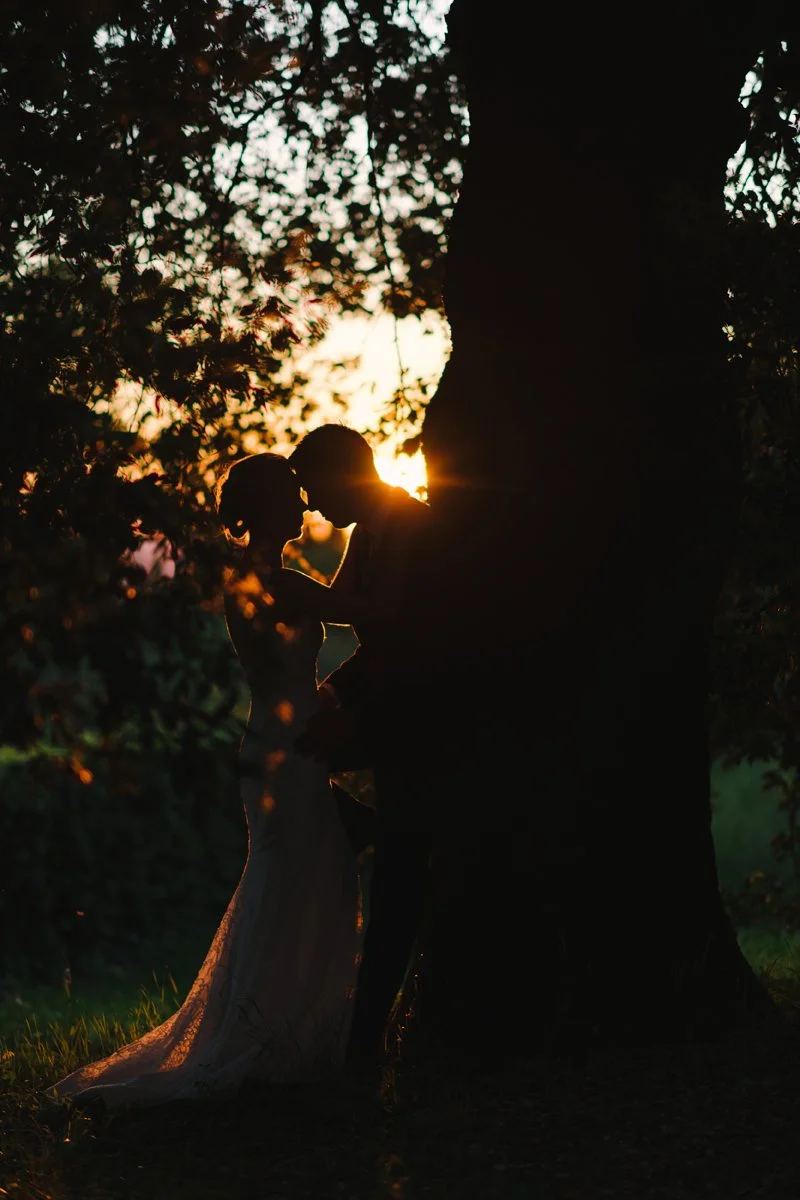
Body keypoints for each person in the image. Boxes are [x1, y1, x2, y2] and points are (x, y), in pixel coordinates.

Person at [46, 453, 369, 1110]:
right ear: (271, 507)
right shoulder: (286, 583)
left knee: (287, 878)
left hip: (270, 744)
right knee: (300, 878)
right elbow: (366, 608)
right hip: (295, 749)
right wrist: (367, 534)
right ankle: (272, 1037)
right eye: (293, 494)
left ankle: (270, 1031)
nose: (306, 503)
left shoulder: (244, 579)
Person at [282, 423, 438, 1066]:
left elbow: (405, 630)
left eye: (316, 489)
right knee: (285, 757)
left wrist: (349, 711)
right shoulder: (369, 529)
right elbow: (366, 620)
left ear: (348, 472)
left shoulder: (408, 522)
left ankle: (363, 1042)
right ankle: (367, 825)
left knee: (400, 886)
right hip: (391, 702)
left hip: (424, 715)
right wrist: (330, 691)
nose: (313, 506)